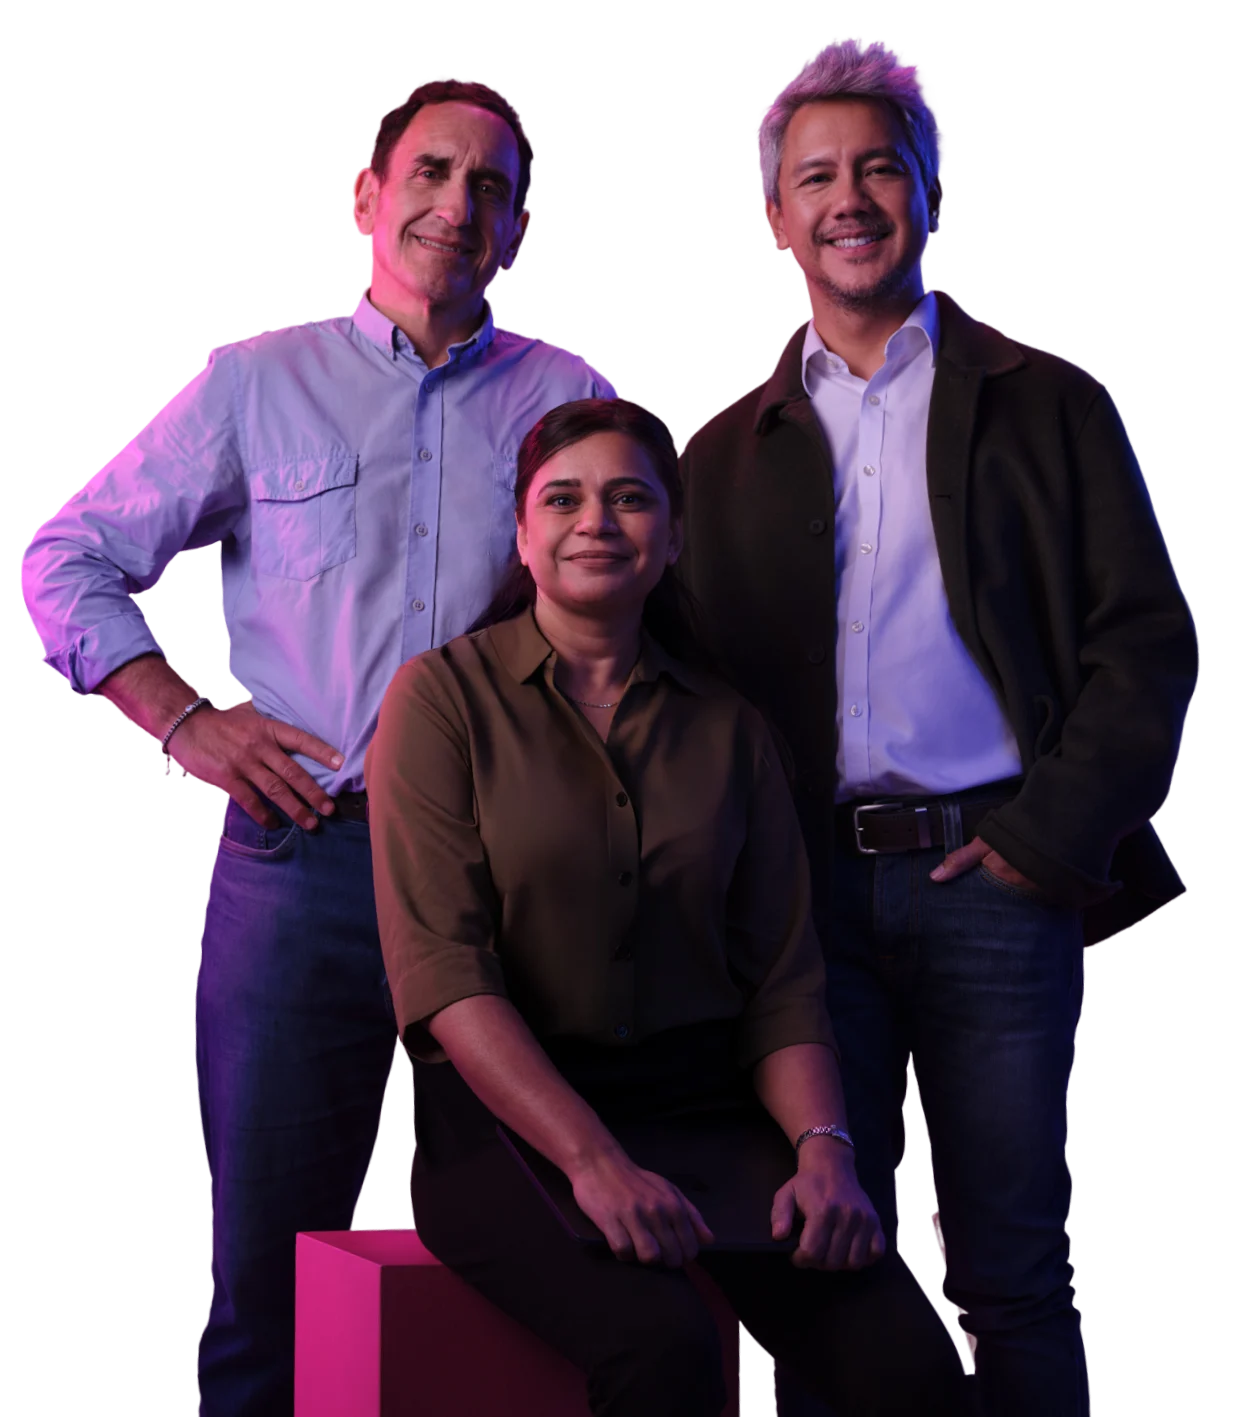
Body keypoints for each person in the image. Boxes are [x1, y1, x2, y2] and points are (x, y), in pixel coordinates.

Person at [19, 76, 617, 1416]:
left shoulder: (574, 400)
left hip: (508, 891)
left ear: (519, 232)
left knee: (549, 1264)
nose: (456, 207)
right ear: (367, 197)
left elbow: (645, 612)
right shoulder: (255, 380)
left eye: (491, 189)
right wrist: (184, 714)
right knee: (265, 1294)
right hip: (301, 874)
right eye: (431, 173)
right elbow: (67, 559)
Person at [675, 35, 1199, 1417]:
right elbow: (645, 655)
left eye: (878, 170)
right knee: (820, 1256)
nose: (849, 198)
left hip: (995, 885)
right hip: (801, 911)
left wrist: (1045, 839)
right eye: (815, 177)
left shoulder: (1050, 402)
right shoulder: (717, 452)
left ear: (929, 192)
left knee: (1011, 1271)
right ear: (775, 215)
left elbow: (1144, 643)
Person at [364, 395, 976, 1417]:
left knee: (913, 1366)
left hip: (707, 1110)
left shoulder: (733, 729)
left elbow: (782, 985)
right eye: (563, 498)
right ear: (522, 531)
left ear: (674, 533)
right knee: (665, 1350)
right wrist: (595, 1162)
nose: (596, 521)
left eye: (630, 499)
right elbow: (446, 975)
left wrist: (827, 1157)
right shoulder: (438, 701)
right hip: (508, 1126)